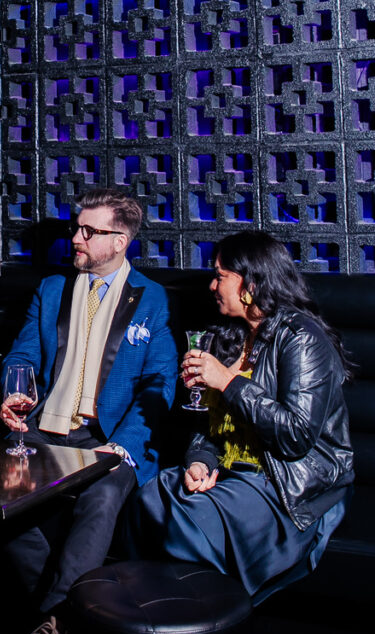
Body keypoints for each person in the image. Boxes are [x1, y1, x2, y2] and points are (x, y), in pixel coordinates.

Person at [0, 187, 178, 634]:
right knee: (2, 497)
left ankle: (50, 630)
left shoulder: (151, 299)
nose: (74, 238)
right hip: (44, 434)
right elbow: (20, 356)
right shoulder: (52, 289)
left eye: (87, 231)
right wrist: (15, 391)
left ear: (119, 241)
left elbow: (158, 387)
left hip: (110, 439)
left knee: (100, 500)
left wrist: (123, 447)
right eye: (76, 228)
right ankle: (62, 619)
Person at [128, 231, 354, 604]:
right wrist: (200, 461)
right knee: (151, 496)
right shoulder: (227, 337)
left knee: (190, 516)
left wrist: (228, 382)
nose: (212, 285)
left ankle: (201, 629)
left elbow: (295, 435)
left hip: (288, 485)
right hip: (236, 475)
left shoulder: (301, 338)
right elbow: (210, 428)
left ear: (251, 281)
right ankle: (155, 625)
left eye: (220, 275)